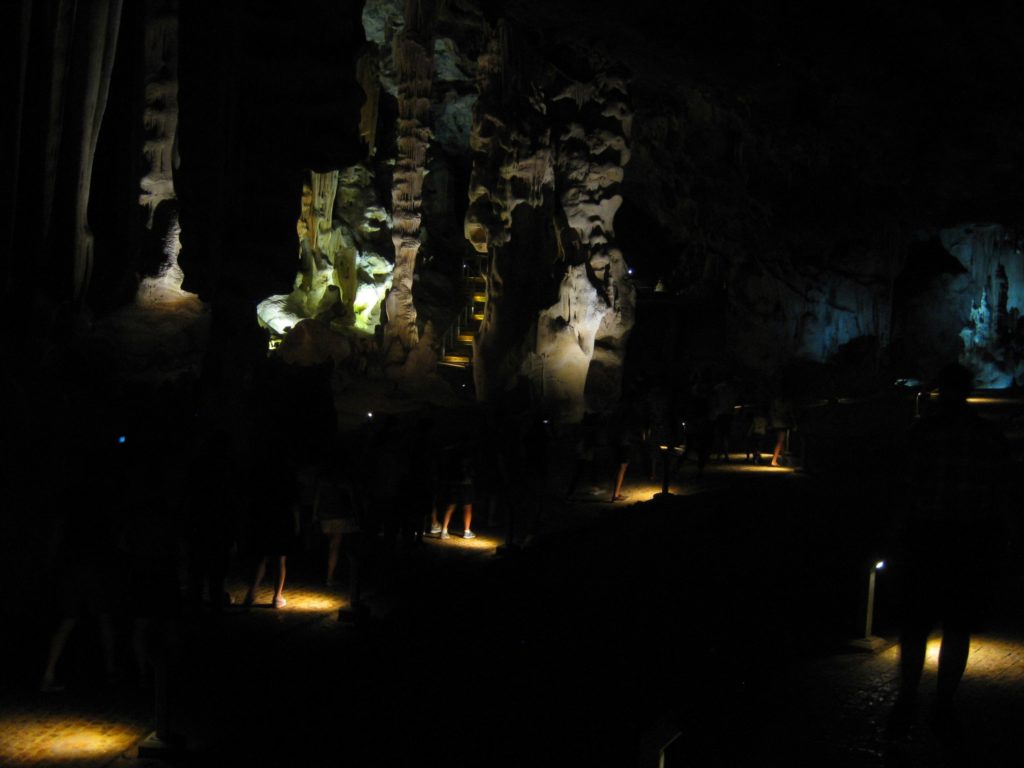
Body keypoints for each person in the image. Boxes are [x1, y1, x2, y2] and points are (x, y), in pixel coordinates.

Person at [886, 363, 1009, 738]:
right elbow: (1000, 494)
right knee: (958, 626)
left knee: (915, 626)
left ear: (940, 390)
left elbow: (901, 489)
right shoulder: (987, 436)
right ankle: (943, 702)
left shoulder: (921, 433)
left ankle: (908, 696)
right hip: (968, 542)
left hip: (924, 539)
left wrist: (895, 535)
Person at [432, 443, 476, 539]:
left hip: (454, 483)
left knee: (450, 506)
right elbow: (470, 471)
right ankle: (467, 531)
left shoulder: (452, 455)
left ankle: (444, 531)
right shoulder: (467, 456)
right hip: (465, 484)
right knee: (467, 507)